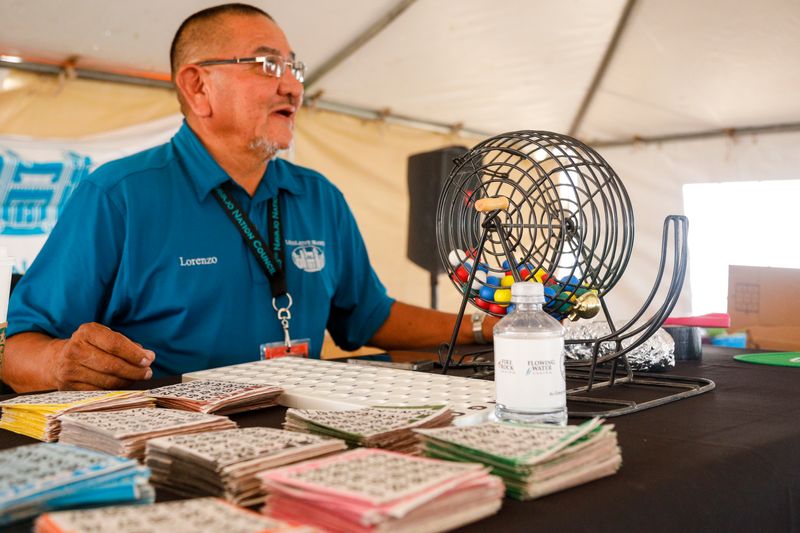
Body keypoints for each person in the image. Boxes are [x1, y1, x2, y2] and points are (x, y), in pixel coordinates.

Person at [1, 3, 495, 393]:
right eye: (267, 64)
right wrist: (60, 363)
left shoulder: (319, 196)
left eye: (294, 67)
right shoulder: (118, 196)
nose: (292, 86)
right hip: (169, 449)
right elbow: (18, 348)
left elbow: (368, 315)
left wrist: (484, 327)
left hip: (305, 441)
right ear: (197, 87)